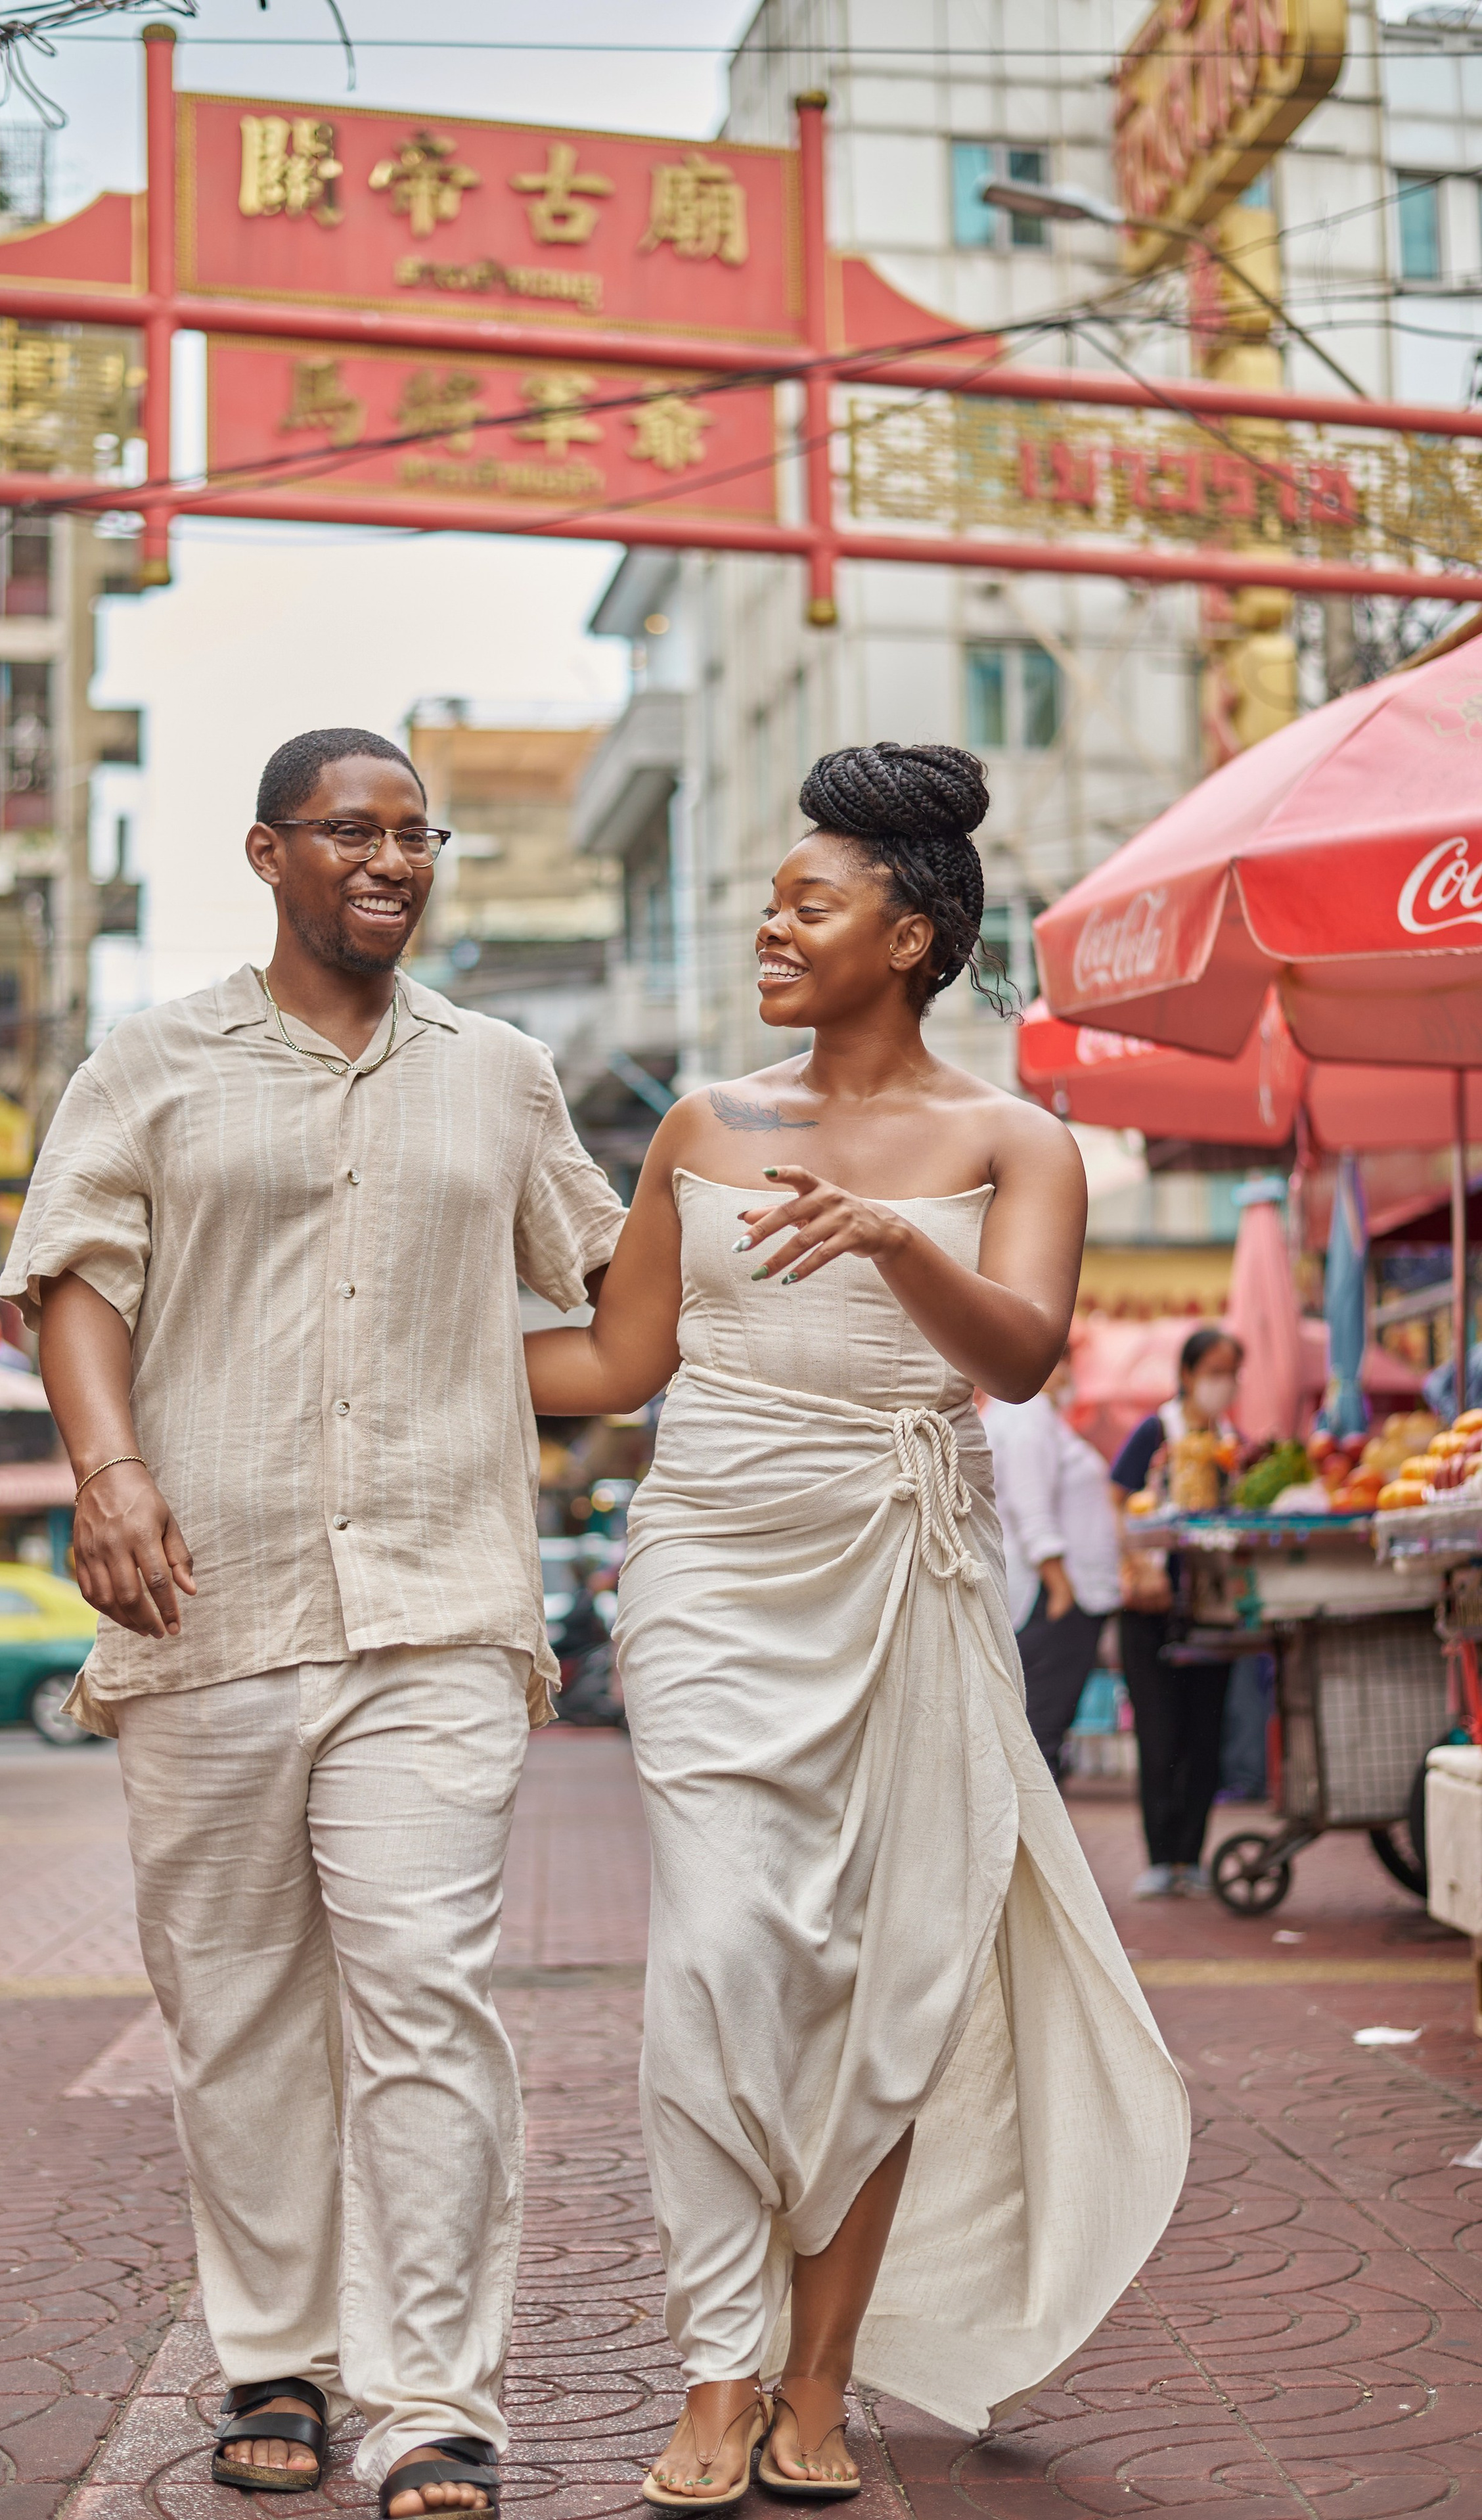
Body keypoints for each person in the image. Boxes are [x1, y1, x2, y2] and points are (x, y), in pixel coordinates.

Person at [524, 742, 1189, 2504]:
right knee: (722, 1958)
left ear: (910, 936)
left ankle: (815, 2389)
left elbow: (1025, 1357)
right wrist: (395, 1357)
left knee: (887, 1983)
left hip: (911, 1567)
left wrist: (899, 1239)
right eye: (773, 895)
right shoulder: (702, 1125)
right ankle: (714, 2367)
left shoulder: (1012, 1139)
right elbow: (613, 1362)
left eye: (809, 902)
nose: (768, 922)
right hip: (716, 1569)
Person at [1, 727, 625, 2510]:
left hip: (436, 1598)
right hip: (210, 1597)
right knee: (241, 2007)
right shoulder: (157, 1061)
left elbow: (605, 1287)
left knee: (428, 1992)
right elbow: (73, 1276)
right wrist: (109, 1472)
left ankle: (434, 2402)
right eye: (353, 831)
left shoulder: (501, 1075)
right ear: (266, 854)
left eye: (417, 834)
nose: (394, 858)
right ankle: (275, 2356)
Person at [1108, 1327, 1244, 1900]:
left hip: (1214, 1606)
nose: (1223, 1383)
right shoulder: (1156, 1431)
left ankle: (1194, 1855)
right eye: (1213, 1370)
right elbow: (1118, 1496)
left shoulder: (1231, 1439)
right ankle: (1162, 1857)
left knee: (1206, 1734)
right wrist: (1136, 1566)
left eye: (1230, 1371)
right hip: (1152, 1607)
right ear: (1187, 1374)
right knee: (1160, 1736)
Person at [983, 1345, 1121, 1782]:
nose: (1068, 1375)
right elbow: (1031, 1506)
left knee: (1036, 1733)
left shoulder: (1026, 1414)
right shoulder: (1027, 1414)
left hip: (1051, 1593)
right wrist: (1060, 1587)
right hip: (1051, 1595)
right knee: (1039, 1737)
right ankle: (1031, 1848)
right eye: (1063, 1362)